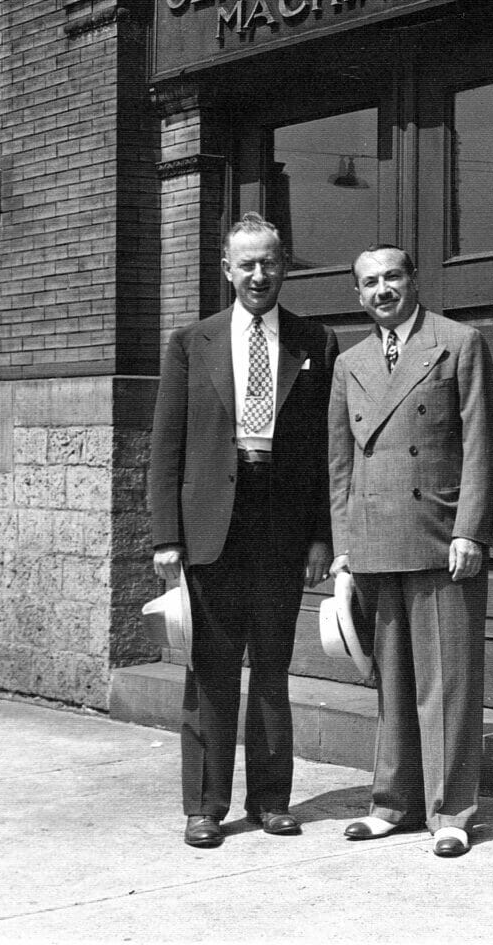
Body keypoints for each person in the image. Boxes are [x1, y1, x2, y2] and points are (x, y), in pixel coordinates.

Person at [151, 213, 337, 848]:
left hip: (281, 523)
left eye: (271, 263)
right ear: (227, 270)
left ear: (284, 266)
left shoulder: (317, 342)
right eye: (247, 264)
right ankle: (205, 806)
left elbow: (324, 452)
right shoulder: (190, 342)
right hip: (210, 525)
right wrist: (165, 537)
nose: (260, 275)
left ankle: (271, 800)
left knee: (274, 668)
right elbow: (166, 448)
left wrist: (321, 536)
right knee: (212, 669)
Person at [328, 244, 493, 858]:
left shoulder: (459, 342)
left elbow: (484, 444)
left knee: (448, 684)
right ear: (358, 294)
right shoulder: (350, 362)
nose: (383, 290)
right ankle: (392, 804)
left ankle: (452, 813)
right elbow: (341, 465)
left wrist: (471, 530)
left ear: (413, 279)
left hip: (439, 537)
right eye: (370, 282)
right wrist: (344, 549)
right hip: (375, 539)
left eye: (393, 277)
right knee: (394, 685)